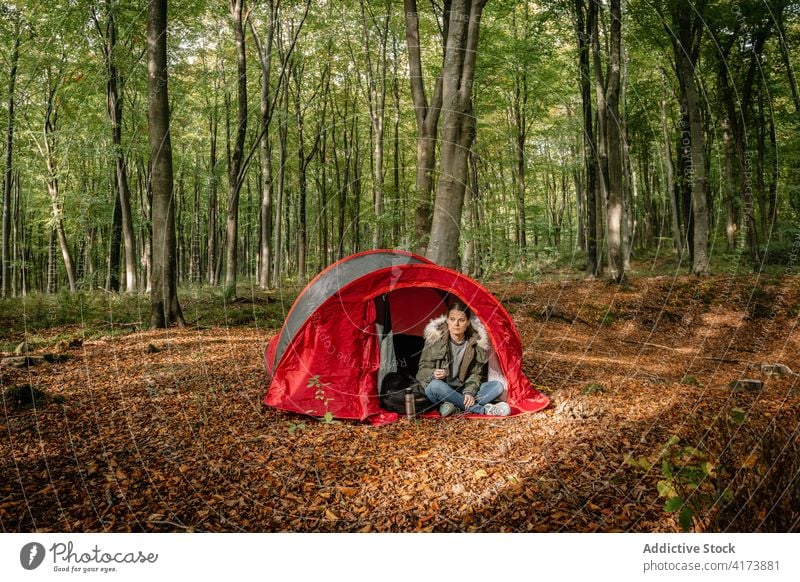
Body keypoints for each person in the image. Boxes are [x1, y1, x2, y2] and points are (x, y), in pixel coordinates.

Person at [416, 300, 511, 417]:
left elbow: (476, 374)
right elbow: (421, 371)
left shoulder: (476, 343)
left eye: (461, 320)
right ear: (447, 320)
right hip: (441, 390)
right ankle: (483, 410)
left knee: (497, 386)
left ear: (468, 322)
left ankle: (454, 407)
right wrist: (433, 374)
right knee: (435, 385)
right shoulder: (434, 339)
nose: (456, 324)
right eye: (452, 319)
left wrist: (469, 392)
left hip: (462, 388)